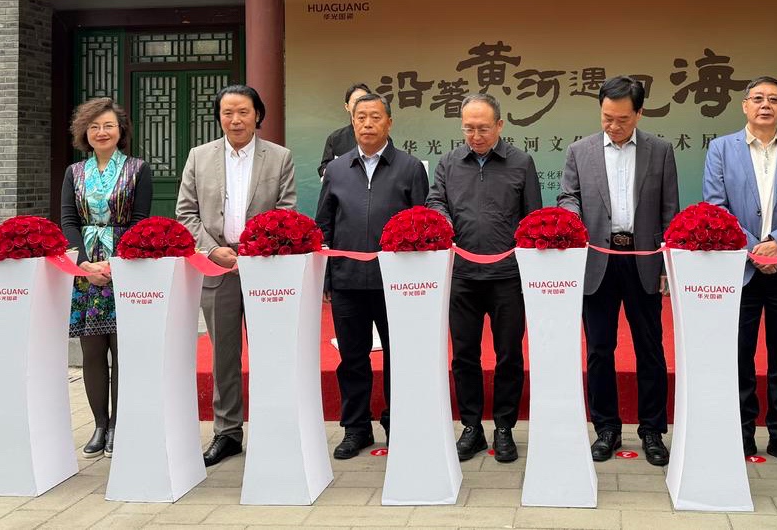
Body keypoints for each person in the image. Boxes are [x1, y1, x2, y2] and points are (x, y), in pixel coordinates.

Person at [557, 76, 679, 467]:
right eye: (607, 117)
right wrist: (572, 217)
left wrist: (666, 266)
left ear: (639, 113)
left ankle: (652, 431)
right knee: (599, 349)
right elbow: (568, 196)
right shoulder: (580, 151)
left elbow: (669, 211)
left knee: (650, 349)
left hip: (643, 259)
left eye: (623, 119)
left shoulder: (660, 151)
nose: (614, 125)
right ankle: (606, 428)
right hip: (598, 260)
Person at [702, 76, 777, 469]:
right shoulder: (721, 149)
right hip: (742, 270)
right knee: (739, 354)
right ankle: (742, 432)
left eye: (773, 99)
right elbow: (716, 205)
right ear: (744, 105)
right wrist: (754, 248)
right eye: (757, 98)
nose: (765, 105)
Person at [176, 84, 297, 467]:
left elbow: (287, 210)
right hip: (218, 267)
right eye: (228, 112)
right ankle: (227, 432)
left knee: (270, 351)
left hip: (264, 270)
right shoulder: (199, 157)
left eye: (243, 111)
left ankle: (273, 427)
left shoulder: (279, 157)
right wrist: (212, 250)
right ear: (219, 117)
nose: (236, 119)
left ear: (257, 114)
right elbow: (186, 213)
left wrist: (257, 249)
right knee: (224, 355)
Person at [426, 93, 541, 463]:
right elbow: (435, 201)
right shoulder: (449, 162)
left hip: (507, 276)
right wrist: (443, 219)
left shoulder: (521, 162)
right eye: (468, 128)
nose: (475, 136)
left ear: (500, 125)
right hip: (462, 275)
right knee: (464, 355)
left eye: (483, 129)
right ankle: (472, 427)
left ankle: (504, 427)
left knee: (508, 354)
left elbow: (533, 217)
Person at [316, 92, 429, 460]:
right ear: (352, 122)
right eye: (361, 117)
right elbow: (324, 225)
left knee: (400, 355)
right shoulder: (336, 170)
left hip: (396, 283)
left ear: (389, 123)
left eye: (375, 117)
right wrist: (327, 277)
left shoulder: (410, 168)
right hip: (347, 281)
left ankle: (399, 422)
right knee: (352, 356)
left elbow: (423, 227)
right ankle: (356, 428)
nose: (367, 123)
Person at [61, 97, 153, 459]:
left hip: (124, 267)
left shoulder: (138, 169)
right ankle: (100, 424)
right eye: (94, 126)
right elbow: (68, 220)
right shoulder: (74, 172)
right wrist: (85, 264)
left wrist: (115, 263)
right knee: (93, 351)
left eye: (108, 125)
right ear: (85, 132)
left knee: (123, 349)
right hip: (86, 271)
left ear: (121, 130)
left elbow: (140, 221)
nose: (102, 132)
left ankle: (119, 423)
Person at [318, 83, 371, 178]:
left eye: (365, 101)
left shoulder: (381, 137)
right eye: (356, 101)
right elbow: (324, 167)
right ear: (347, 107)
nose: (360, 105)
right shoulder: (335, 138)